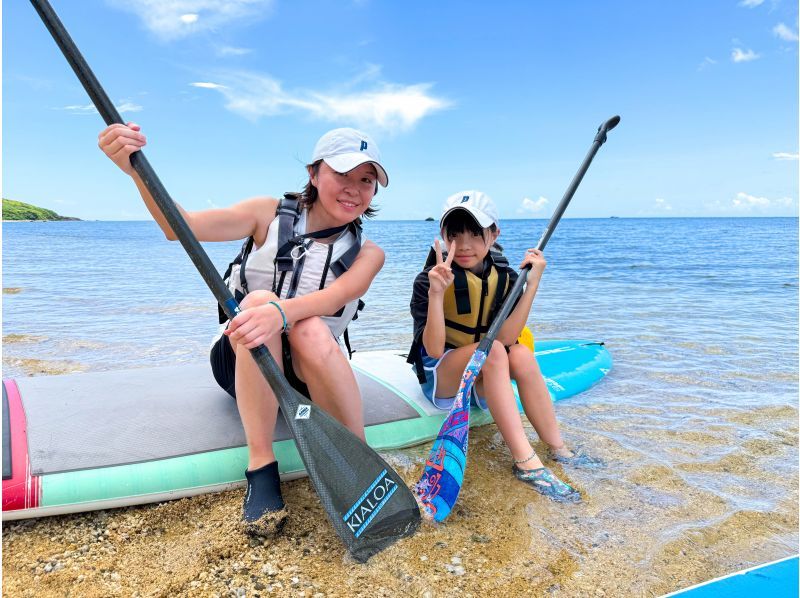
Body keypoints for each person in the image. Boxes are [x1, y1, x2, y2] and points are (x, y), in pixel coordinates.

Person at [99, 124, 389, 534]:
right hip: (242, 358)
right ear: (313, 173)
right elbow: (181, 227)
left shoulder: (370, 254)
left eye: (366, 180)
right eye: (342, 174)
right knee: (257, 304)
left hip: (308, 372)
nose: (354, 189)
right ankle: (261, 465)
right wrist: (135, 170)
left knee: (307, 328)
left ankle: (359, 464)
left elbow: (337, 295)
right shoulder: (265, 214)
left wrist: (282, 312)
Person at [408, 191, 601, 504]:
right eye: (454, 234)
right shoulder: (428, 280)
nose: (465, 244)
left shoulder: (507, 276)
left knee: (521, 354)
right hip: (443, 379)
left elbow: (509, 337)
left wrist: (532, 283)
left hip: (482, 376)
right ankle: (526, 462)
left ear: (494, 233)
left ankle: (558, 449)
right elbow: (431, 349)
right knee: (494, 351)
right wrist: (435, 294)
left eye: (475, 233)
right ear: (443, 236)